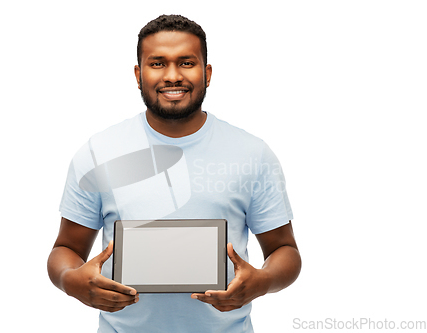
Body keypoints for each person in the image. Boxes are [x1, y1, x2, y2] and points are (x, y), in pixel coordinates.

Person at [47, 14, 301, 333]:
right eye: (157, 63)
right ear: (138, 75)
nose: (172, 76)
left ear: (207, 73)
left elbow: (284, 251)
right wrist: (71, 281)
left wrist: (262, 281)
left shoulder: (252, 153)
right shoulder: (99, 152)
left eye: (186, 62)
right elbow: (65, 249)